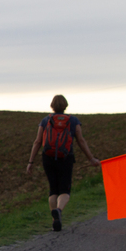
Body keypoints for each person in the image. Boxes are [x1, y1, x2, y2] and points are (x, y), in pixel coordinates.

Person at [25, 94, 99, 231]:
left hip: (47, 157)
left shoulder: (45, 120)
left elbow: (37, 141)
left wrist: (31, 161)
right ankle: (58, 210)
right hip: (66, 157)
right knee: (64, 190)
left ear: (52, 106)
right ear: (66, 106)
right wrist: (91, 158)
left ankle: (55, 220)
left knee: (53, 189)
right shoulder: (73, 121)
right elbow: (81, 141)